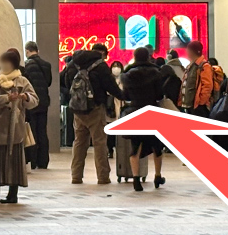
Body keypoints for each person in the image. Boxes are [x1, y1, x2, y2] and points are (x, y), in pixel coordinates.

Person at [64, 43, 123, 184]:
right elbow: (111, 86)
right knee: (99, 142)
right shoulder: (101, 66)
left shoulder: (73, 64)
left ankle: (76, 176)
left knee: (79, 142)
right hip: (95, 108)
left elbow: (65, 81)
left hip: (78, 109)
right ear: (103, 54)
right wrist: (123, 96)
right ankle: (103, 177)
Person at [0, 51, 39, 204]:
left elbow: (35, 100)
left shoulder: (22, 81)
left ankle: (13, 193)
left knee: (15, 160)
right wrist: (6, 98)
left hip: (16, 125)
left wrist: (25, 97)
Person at [121, 47, 166, 192]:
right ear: (148, 57)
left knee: (136, 146)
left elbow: (126, 96)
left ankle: (136, 179)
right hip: (152, 111)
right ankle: (157, 176)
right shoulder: (156, 73)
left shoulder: (128, 74)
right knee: (156, 146)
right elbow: (160, 94)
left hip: (135, 111)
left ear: (135, 57)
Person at [23, 41, 53, 170]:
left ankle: (33, 161)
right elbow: (49, 82)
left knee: (33, 131)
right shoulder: (46, 65)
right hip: (44, 101)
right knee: (42, 131)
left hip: (32, 101)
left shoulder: (27, 65)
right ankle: (43, 161)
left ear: (27, 51)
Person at [179, 41, 213, 118]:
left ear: (192, 51)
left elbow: (207, 86)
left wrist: (201, 102)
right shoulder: (190, 66)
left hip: (197, 107)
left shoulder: (204, 66)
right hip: (189, 105)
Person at [107, 60, 125, 159]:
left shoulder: (124, 79)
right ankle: (110, 149)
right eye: (114, 66)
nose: (116, 68)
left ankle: (120, 149)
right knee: (110, 129)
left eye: (118, 66)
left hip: (121, 105)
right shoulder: (108, 79)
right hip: (111, 107)